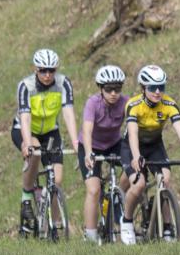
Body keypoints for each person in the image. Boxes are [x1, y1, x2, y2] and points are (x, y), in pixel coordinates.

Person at [120, 65, 180, 244]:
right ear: (143, 88)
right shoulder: (134, 104)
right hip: (132, 146)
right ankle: (126, 221)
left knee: (165, 180)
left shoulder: (169, 104)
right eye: (152, 88)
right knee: (138, 184)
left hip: (154, 146)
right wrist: (136, 156)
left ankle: (167, 227)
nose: (158, 91)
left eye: (161, 87)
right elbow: (133, 133)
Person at [12, 48, 79, 234]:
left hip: (50, 131)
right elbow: (24, 117)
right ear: (35, 69)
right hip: (25, 130)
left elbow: (68, 113)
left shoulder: (63, 83)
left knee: (56, 180)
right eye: (43, 70)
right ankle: (26, 195)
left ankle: (55, 225)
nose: (48, 75)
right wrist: (26, 143)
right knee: (34, 151)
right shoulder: (26, 86)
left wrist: (76, 142)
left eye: (51, 70)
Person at [79, 65, 130, 242]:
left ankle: (118, 197)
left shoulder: (126, 102)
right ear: (101, 89)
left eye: (117, 88)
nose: (113, 93)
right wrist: (88, 153)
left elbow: (134, 125)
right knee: (94, 190)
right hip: (91, 146)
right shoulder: (93, 103)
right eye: (109, 89)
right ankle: (91, 235)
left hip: (114, 143)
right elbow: (87, 130)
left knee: (132, 170)